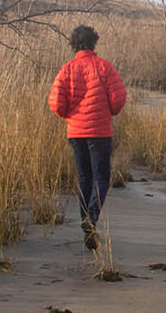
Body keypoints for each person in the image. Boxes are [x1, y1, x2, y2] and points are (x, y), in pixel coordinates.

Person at [48, 25, 127, 249]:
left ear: (74, 44)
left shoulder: (67, 69)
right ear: (94, 43)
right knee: (101, 178)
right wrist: (110, 110)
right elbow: (118, 98)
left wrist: (68, 115)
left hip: (76, 131)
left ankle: (87, 222)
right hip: (100, 131)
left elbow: (56, 102)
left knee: (84, 177)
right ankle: (91, 218)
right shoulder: (104, 68)